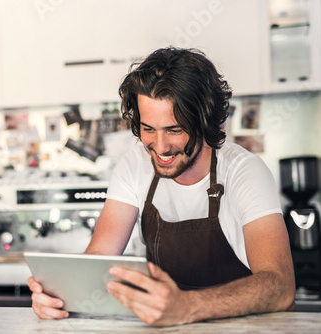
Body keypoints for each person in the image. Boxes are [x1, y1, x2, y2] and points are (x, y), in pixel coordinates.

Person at [27, 47, 295, 327]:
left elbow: (281, 286)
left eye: (174, 130)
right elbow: (98, 260)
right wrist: (59, 294)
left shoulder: (244, 171)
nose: (161, 147)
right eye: (148, 129)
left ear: (204, 121)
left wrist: (187, 306)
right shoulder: (135, 165)